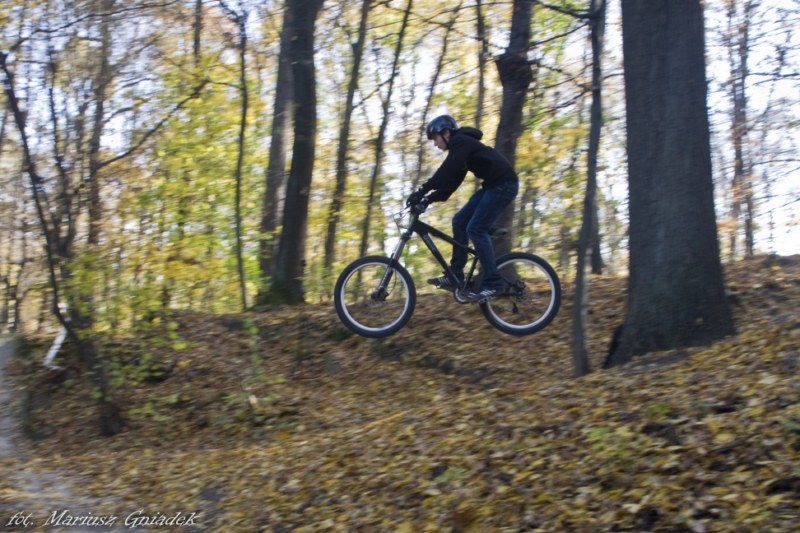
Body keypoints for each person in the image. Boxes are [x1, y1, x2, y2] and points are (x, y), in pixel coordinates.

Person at [406, 114, 519, 302]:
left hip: (504, 185)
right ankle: (456, 274)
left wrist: (421, 190)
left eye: (435, 138)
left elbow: (445, 171)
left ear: (446, 133)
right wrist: (427, 199)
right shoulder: (462, 150)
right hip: (492, 186)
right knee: (459, 221)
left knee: (475, 229)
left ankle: (493, 282)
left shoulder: (461, 141)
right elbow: (449, 185)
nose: (435, 144)